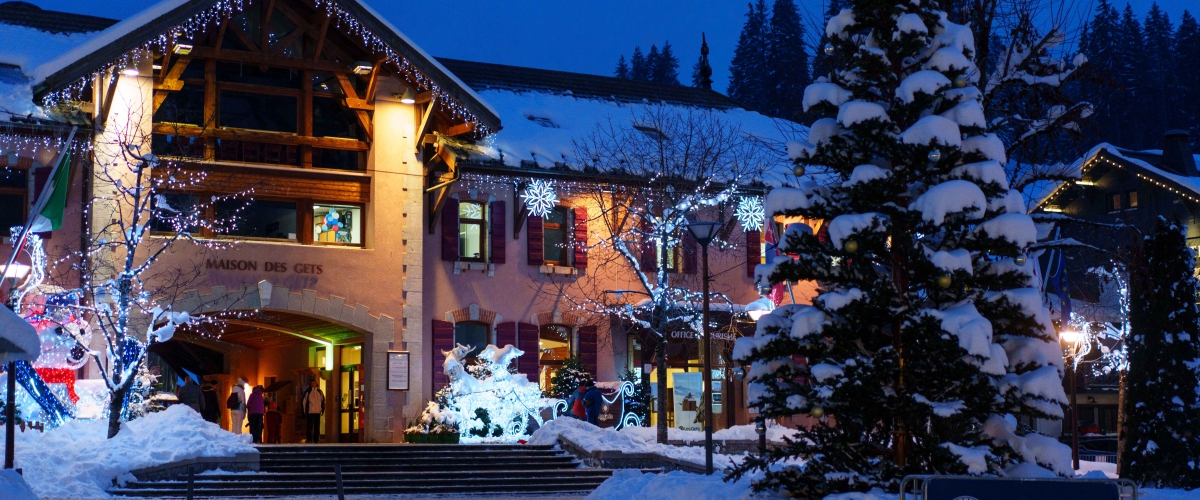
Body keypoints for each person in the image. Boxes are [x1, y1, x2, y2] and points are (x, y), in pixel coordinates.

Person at [301, 378, 325, 443]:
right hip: (310, 412)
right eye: (312, 383)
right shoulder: (308, 392)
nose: (313, 384)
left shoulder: (320, 392)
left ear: (316, 383)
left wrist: (322, 409)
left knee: (317, 426)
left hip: (317, 412)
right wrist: (304, 411)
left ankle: (316, 439)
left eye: (314, 383)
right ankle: (309, 439)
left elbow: (322, 401)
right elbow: (304, 402)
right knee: (309, 426)